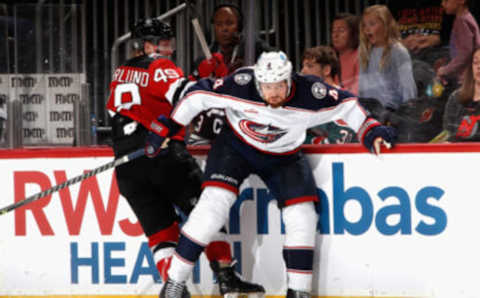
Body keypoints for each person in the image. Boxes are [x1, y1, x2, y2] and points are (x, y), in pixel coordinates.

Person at [145, 51, 397, 298]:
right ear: (257, 82)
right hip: (235, 148)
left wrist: (370, 129)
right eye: (267, 86)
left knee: (303, 216)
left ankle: (299, 291)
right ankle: (174, 284)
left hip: (284, 156)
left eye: (279, 86)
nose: (273, 93)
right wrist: (170, 124)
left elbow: (347, 105)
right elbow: (198, 94)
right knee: (211, 209)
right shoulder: (241, 84)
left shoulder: (311, 92)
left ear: (290, 80)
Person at [105, 18, 265, 297]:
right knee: (207, 214)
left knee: (160, 233)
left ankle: (176, 291)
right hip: (164, 156)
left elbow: (122, 112)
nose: (168, 50)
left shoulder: (120, 72)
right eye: (163, 44)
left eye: (170, 44)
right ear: (145, 46)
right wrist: (211, 81)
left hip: (128, 168)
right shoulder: (160, 66)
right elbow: (188, 97)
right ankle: (226, 277)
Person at [188, 3, 275, 145]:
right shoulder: (205, 57)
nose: (224, 29)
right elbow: (191, 97)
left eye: (229, 23)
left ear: (239, 27)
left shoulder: (255, 48)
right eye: (219, 24)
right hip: (212, 127)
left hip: (250, 122)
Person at [358, 4, 418, 111]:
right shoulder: (365, 52)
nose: (367, 29)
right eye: (364, 25)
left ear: (385, 25)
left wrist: (409, 113)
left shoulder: (397, 51)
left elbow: (408, 88)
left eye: (372, 24)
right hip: (368, 112)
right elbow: (362, 88)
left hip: (390, 113)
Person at [300, 45, 357, 144]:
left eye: (310, 66)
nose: (303, 71)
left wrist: (309, 141)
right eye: (303, 66)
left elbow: (344, 137)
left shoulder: (344, 101)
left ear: (326, 70)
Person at [388, 0, 453, 66]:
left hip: (441, 50)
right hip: (404, 52)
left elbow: (459, 28)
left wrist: (439, 38)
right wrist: (400, 43)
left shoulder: (449, 3)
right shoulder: (392, 5)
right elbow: (383, 35)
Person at [436, 0, 480, 86]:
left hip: (467, 79)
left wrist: (446, 70)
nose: (442, 4)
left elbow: (464, 55)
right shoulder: (464, 18)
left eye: (446, 0)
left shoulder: (462, 21)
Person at [441, 47, 480, 141]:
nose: (479, 66)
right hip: (457, 153)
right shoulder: (456, 97)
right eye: (475, 63)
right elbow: (448, 131)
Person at [331, 13, 360, 95]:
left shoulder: (361, 57)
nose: (335, 35)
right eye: (333, 31)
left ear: (354, 33)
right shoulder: (329, 58)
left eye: (341, 31)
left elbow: (356, 93)